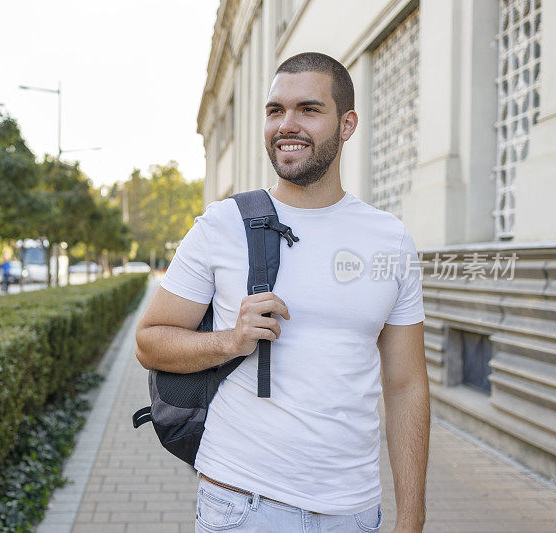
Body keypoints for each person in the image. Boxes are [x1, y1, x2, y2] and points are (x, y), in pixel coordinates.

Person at [135, 52, 429, 533]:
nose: (286, 124)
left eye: (308, 110)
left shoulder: (389, 239)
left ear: (347, 123)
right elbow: (150, 341)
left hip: (352, 511)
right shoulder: (221, 224)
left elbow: (406, 385)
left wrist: (412, 519)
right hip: (242, 503)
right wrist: (229, 341)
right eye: (275, 111)